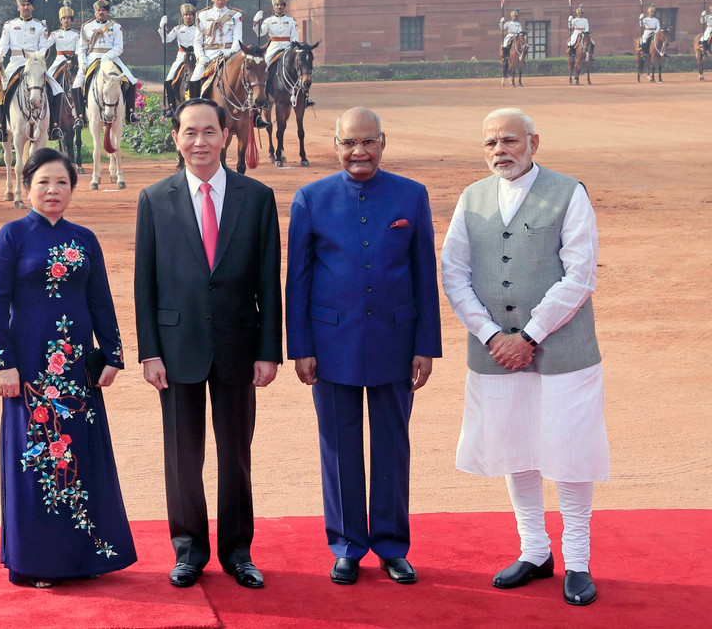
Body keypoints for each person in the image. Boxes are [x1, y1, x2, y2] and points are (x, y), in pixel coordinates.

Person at [440, 107, 609, 607]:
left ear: (534, 141)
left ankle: (577, 560)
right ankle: (534, 550)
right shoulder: (472, 198)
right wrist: (493, 335)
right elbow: (453, 272)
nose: (500, 151)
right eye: (490, 143)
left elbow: (580, 274)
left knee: (571, 451)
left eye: (509, 141)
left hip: (565, 350)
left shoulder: (568, 192)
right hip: (495, 351)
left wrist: (528, 335)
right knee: (516, 446)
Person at [285, 107, 441, 586]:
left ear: (383, 142)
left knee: (392, 445)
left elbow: (423, 275)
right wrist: (301, 347)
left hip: (396, 339)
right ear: (335, 146)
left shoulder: (411, 197)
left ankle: (392, 545)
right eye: (349, 143)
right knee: (339, 447)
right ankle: (348, 545)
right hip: (332, 343)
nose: (359, 152)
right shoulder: (311, 198)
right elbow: (299, 280)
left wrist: (426, 345)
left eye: (368, 142)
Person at [134, 98, 282, 590]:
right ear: (176, 137)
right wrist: (149, 351)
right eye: (190, 132)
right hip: (176, 351)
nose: (200, 142)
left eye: (209, 132)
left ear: (226, 135)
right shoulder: (154, 199)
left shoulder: (256, 197)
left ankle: (239, 552)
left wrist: (268, 350)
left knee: (236, 455)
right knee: (182, 457)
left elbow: (269, 281)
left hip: (240, 346)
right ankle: (188, 550)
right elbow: (144, 284)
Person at [0, 146, 137, 588]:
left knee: (80, 457)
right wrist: (4, 365)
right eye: (43, 183)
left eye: (62, 183)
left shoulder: (84, 239)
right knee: (37, 459)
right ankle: (38, 561)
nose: (53, 191)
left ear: (73, 188)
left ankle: (82, 557)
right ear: (27, 186)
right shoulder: (10, 237)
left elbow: (101, 300)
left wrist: (112, 354)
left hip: (75, 370)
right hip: (30, 370)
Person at [190, 0, 269, 129]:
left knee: (250, 74)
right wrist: (201, 57)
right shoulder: (202, 15)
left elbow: (237, 39)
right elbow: (197, 42)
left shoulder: (236, 15)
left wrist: (230, 53)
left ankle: (256, 114)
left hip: (230, 54)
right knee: (194, 78)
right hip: (208, 56)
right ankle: (193, 114)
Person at [0, 0, 63, 142]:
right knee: (0, 90)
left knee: (57, 90)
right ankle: (1, 128)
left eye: (28, 5)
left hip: (35, 65)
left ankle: (54, 127)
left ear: (32, 7)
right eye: (22, 5)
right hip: (15, 63)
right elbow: (3, 47)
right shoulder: (10, 25)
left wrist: (36, 59)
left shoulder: (40, 26)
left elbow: (45, 47)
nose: (25, 8)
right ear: (18, 7)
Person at [73, 0, 140, 125]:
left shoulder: (115, 27)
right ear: (95, 12)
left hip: (111, 58)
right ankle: (80, 117)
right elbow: (81, 48)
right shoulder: (86, 27)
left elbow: (119, 47)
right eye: (98, 10)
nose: (101, 12)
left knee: (132, 80)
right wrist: (82, 63)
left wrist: (106, 57)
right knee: (76, 84)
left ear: (107, 12)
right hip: (91, 58)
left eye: (103, 10)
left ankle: (130, 113)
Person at [253, 0, 313, 107]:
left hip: (288, 47)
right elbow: (260, 33)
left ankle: (305, 96)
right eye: (277, 5)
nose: (279, 7)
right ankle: (265, 97)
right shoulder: (268, 21)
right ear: (273, 7)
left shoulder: (291, 21)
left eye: (281, 5)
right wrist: (255, 21)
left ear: (284, 6)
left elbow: (294, 36)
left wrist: (293, 48)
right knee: (265, 68)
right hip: (273, 47)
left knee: (301, 66)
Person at [158, 0, 199, 116]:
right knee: (169, 78)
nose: (188, 17)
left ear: (194, 16)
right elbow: (166, 39)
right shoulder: (177, 29)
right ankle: (170, 107)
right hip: (182, 57)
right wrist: (162, 27)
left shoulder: (199, 29)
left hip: (197, 56)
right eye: (186, 15)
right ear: (182, 16)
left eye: (190, 14)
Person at [48, 0, 84, 132]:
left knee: (81, 82)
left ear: (71, 20)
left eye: (68, 18)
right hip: (58, 60)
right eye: (64, 18)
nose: (66, 20)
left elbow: (80, 49)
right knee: (47, 81)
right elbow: (45, 45)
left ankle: (81, 113)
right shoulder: (55, 34)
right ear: (60, 20)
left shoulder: (76, 34)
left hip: (73, 61)